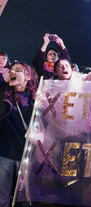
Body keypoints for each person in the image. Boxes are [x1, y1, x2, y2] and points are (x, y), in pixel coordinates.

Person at [0, 62, 37, 207]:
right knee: (2, 198)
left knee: (26, 198)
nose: (12, 72)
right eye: (11, 70)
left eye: (18, 70)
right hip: (5, 154)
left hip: (27, 156)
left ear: (28, 77)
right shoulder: (4, 95)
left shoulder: (36, 98)